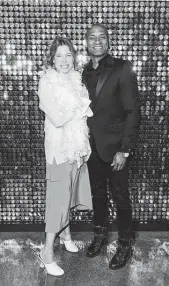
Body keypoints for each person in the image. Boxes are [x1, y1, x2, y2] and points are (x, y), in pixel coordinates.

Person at [82, 24, 141, 270]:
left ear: (109, 41)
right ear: (86, 43)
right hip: (90, 147)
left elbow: (133, 111)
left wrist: (124, 150)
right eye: (92, 37)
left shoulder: (122, 67)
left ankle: (125, 243)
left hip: (116, 148)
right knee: (97, 194)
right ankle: (100, 235)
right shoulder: (82, 72)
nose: (97, 41)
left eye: (102, 37)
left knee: (121, 197)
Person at [37, 37, 93, 276]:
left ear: (74, 57)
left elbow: (86, 114)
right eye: (58, 55)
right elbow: (58, 118)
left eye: (68, 55)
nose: (63, 60)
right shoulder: (46, 83)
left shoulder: (77, 81)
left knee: (69, 194)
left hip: (77, 148)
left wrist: (85, 144)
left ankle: (66, 235)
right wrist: (77, 105)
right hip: (60, 151)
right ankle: (47, 252)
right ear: (52, 59)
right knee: (58, 201)